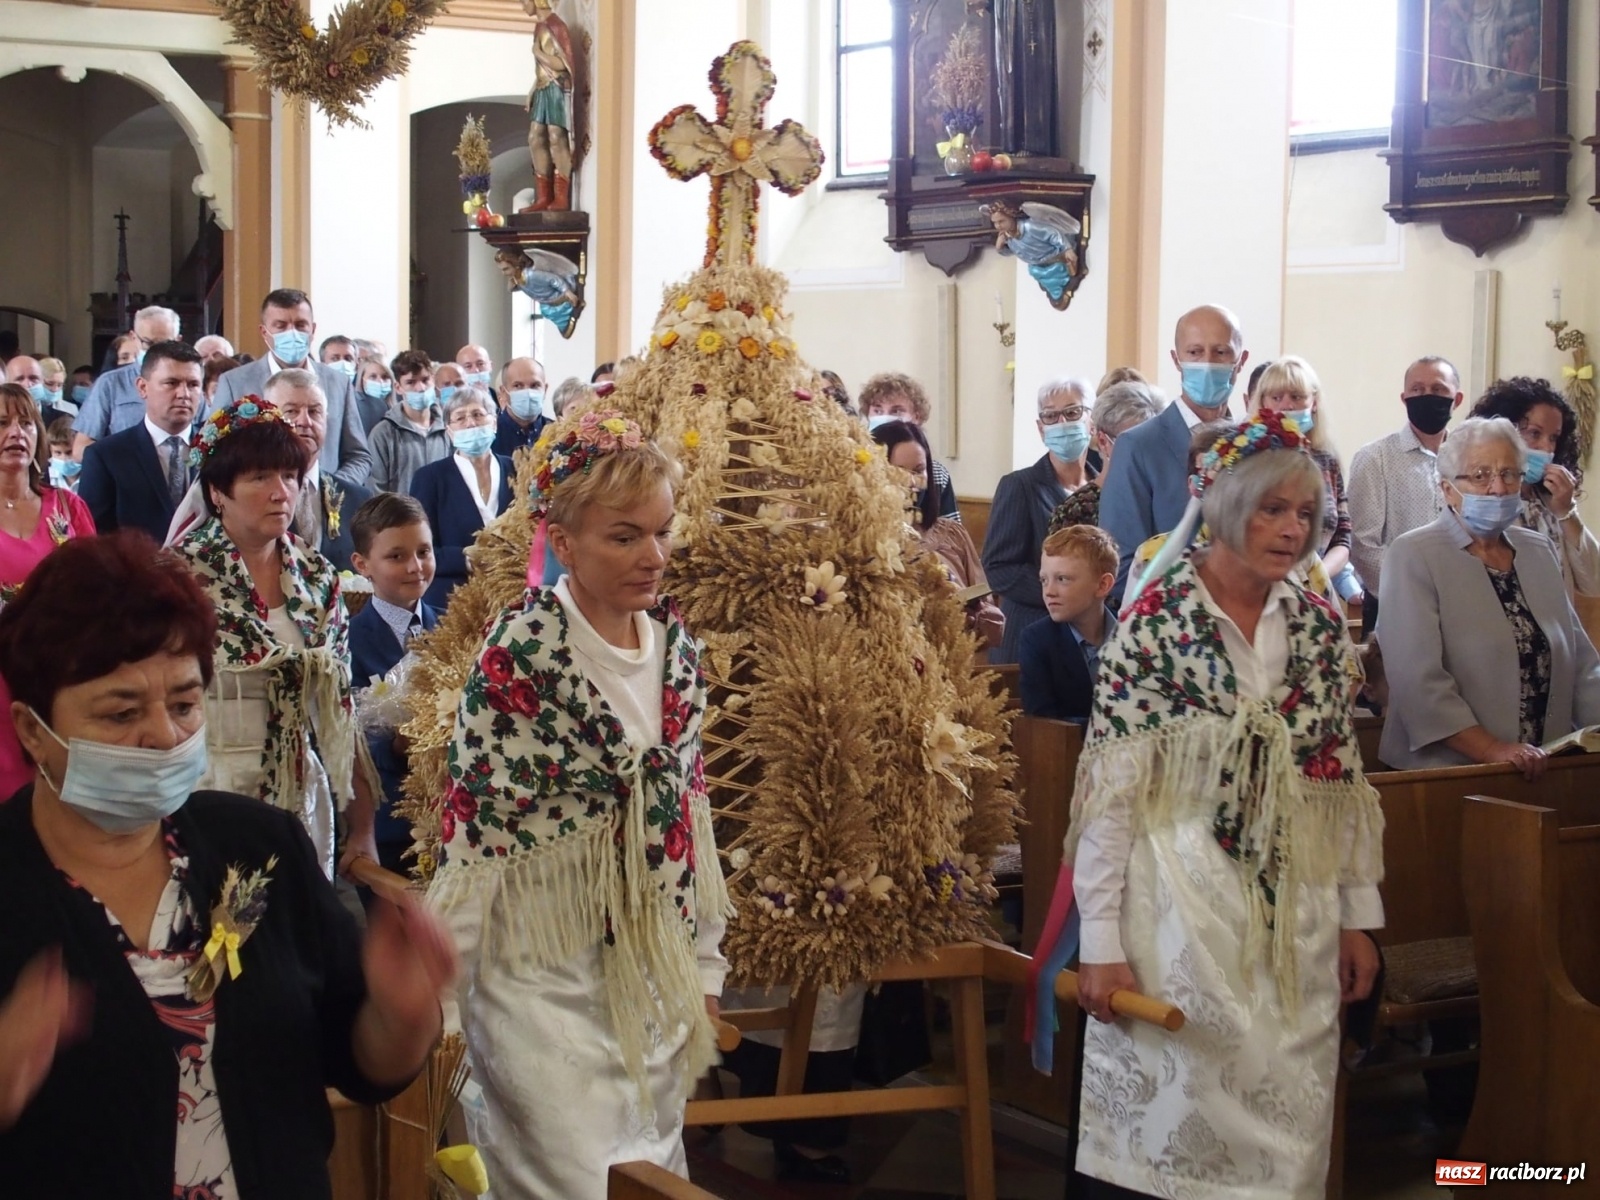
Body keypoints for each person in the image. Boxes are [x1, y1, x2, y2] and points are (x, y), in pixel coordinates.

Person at [0, 531, 455, 1198]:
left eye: (184, 704)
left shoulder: (258, 847)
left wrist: (402, 1014)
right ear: (33, 729)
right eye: (121, 713)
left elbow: (357, 1065)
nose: (162, 734)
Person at [1061, 413, 1382, 1198]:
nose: (1291, 529)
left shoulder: (1314, 629)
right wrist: (1099, 937)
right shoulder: (1156, 626)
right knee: (1171, 1122)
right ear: (1224, 504)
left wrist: (1357, 916)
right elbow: (1111, 798)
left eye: (1305, 514)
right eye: (1272, 509)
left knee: (1287, 1131)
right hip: (1176, 914)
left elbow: (1338, 785)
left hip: (1291, 919)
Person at [430, 408, 727, 1199]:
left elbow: (688, 816)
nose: (653, 557)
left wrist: (705, 963)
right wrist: (443, 1003)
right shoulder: (519, 659)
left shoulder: (677, 653)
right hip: (539, 983)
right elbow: (477, 838)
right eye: (624, 536)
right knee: (571, 1182)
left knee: (644, 1178)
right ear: (562, 543)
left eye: (662, 532)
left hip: (647, 980)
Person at [169, 397, 380, 879]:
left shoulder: (317, 577)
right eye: (260, 478)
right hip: (205, 786)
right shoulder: (177, 577)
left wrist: (363, 827)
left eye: (290, 476)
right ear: (218, 491)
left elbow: (338, 707)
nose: (281, 492)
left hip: (298, 793)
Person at [1377, 416, 1600, 776]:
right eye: (1480, 476)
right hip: (1445, 775)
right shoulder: (1414, 554)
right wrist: (1491, 748)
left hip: (1543, 767)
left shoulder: (1537, 549)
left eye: (1509, 474)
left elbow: (1581, 663)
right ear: (1448, 489)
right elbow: (1417, 680)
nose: (1497, 488)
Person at [1100, 304, 1248, 602]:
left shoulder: (1252, 448)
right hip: (1170, 621)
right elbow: (1121, 562)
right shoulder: (1138, 446)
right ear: (1176, 359)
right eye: (1195, 352)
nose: (1207, 363)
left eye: (1221, 352)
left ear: (1241, 361)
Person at [0, 383, 97, 798]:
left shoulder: (67, 506)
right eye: (2, 423)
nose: (16, 433)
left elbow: (102, 586)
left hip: (62, 672)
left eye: (26, 423)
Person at [348, 493, 440, 876]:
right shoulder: (348, 641)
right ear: (362, 564)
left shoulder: (454, 627)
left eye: (424, 551)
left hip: (449, 820)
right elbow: (346, 737)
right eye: (396, 556)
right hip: (388, 826)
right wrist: (394, 745)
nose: (415, 567)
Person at [211, 289, 372, 487]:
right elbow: (216, 454)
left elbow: (358, 455)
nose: (292, 333)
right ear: (264, 332)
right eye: (281, 326)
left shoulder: (338, 383)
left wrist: (330, 487)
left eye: (300, 325)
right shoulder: (234, 383)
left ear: (312, 330)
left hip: (327, 506)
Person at [982, 378, 1094, 662]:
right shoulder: (1020, 486)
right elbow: (998, 568)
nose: (1061, 422)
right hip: (1031, 634)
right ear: (1041, 428)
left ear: (1092, 420)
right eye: (1050, 416)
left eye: (1072, 412)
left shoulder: (1107, 482)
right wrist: (1063, 593)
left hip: (1092, 634)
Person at [1348, 356, 1463, 628]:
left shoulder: (1469, 459)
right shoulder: (1375, 458)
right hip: (1395, 608)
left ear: (1456, 400)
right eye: (1417, 390)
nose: (1427, 396)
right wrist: (1414, 592)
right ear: (1404, 397)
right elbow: (1363, 545)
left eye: (1438, 390)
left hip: (1463, 604)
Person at [871, 419, 1002, 649]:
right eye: (899, 471)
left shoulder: (952, 534)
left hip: (951, 663)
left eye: (919, 470)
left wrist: (972, 615)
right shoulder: (862, 541)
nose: (912, 482)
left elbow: (991, 616)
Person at [1470, 375, 1600, 597]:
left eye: (1554, 438)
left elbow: (1594, 583)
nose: (1546, 447)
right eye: (1534, 433)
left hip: (1556, 628)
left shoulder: (1552, 499)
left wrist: (1567, 512)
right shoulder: (1479, 498)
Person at [1250, 355, 1360, 603]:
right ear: (1262, 404)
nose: (1287, 406)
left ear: (1314, 402)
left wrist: (1314, 577)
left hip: (1317, 592)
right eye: (1277, 398)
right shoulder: (1248, 461)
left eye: (1297, 397)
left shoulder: (1327, 460)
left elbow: (1343, 535)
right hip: (1260, 590)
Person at [79, 341, 203, 545]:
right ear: (142, 387)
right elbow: (94, 538)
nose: (184, 394)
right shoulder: (106, 456)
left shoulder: (220, 449)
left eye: (193, 384)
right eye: (171, 383)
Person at [408, 387, 514, 608]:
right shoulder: (430, 478)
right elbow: (419, 547)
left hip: (512, 592)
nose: (471, 423)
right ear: (449, 431)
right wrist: (467, 558)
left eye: (477, 414)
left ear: (493, 422)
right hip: (451, 598)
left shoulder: (517, 469)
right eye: (460, 417)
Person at [269, 370, 374, 575]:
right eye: (291, 411)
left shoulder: (358, 500)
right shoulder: (252, 497)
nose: (304, 421)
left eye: (314, 412)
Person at [1018, 524, 1117, 722]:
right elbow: (1043, 722)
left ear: (1103, 585)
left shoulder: (1133, 635)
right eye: (1044, 580)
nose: (1049, 591)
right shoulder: (1037, 640)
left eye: (1062, 579)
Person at [1049, 380, 1163, 533]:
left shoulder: (1170, 497)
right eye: (1135, 443)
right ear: (1103, 442)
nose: (1147, 452)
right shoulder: (1075, 514)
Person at [72, 306, 182, 455]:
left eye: (164, 344)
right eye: (148, 343)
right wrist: (127, 458)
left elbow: (207, 439)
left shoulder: (189, 385)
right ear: (134, 338)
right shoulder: (110, 384)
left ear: (178, 341)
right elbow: (80, 449)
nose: (155, 352)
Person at [858, 372, 960, 521]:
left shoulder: (937, 474)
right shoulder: (857, 469)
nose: (885, 417)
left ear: (916, 416)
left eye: (896, 411)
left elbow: (952, 532)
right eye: (878, 410)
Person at [520, 0, 577, 212]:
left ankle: (561, 197)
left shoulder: (556, 25)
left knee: (556, 136)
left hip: (556, 88)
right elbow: (542, 70)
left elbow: (563, 64)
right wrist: (533, 89)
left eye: (524, 1)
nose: (522, 5)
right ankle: (544, 197)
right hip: (543, 87)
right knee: (535, 138)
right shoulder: (539, 27)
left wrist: (538, 53)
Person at [370, 350, 450, 494]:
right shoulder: (383, 433)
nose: (420, 388)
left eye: (425, 380)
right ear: (398, 387)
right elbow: (377, 491)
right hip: (401, 515)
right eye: (411, 382)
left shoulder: (448, 427)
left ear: (433, 380)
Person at [493, 356, 551, 457]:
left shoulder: (557, 432)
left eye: (535, 385)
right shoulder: (490, 435)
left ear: (545, 390)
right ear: (503, 392)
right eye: (518, 386)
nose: (527, 392)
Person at [355, 357, 394, 434]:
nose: (380, 381)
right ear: (362, 380)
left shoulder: (399, 408)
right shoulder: (355, 410)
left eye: (385, 377)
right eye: (373, 377)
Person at [45, 418, 79, 492]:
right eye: (58, 453)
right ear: (50, 451)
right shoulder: (45, 478)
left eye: (69, 452)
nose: (64, 459)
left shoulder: (92, 476)